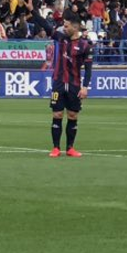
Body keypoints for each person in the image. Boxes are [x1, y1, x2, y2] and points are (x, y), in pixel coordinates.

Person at [49, 12, 94, 158]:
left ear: (75, 28)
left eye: (66, 26)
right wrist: (32, 10)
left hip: (74, 84)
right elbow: (44, 25)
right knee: (57, 113)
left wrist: (85, 86)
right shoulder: (61, 38)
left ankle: (70, 148)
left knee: (73, 115)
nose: (64, 28)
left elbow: (88, 69)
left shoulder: (85, 46)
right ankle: (56, 148)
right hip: (59, 83)